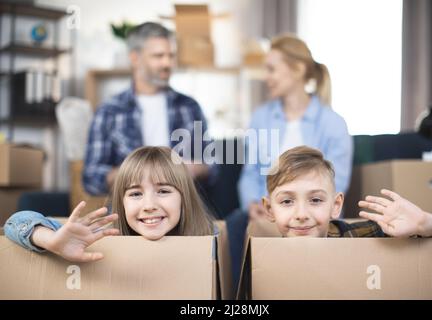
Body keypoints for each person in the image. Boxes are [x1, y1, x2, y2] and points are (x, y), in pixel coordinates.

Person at [4, 146, 215, 262]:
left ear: (184, 198)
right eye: (135, 194)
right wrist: (51, 240)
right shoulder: (100, 237)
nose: (149, 204)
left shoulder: (208, 237)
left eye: (163, 191)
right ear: (121, 203)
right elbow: (14, 223)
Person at [83, 22, 212, 196]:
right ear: (135, 58)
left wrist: (193, 169)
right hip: (129, 212)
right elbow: (91, 178)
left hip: (184, 208)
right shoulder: (109, 111)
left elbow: (212, 167)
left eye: (171, 56)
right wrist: (137, 174)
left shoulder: (189, 107)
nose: (167, 63)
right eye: (158, 56)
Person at [238, 34, 352, 219]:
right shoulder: (260, 118)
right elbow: (250, 174)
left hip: (314, 219)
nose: (266, 77)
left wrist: (302, 211)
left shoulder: (333, 123)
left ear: (298, 70)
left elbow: (336, 182)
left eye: (272, 69)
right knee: (237, 222)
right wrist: (253, 203)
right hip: (268, 215)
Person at [262, 146, 432, 238]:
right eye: (287, 202)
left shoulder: (351, 236)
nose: (301, 215)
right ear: (270, 209)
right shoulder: (262, 257)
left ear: (335, 206)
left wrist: (426, 223)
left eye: (316, 200)